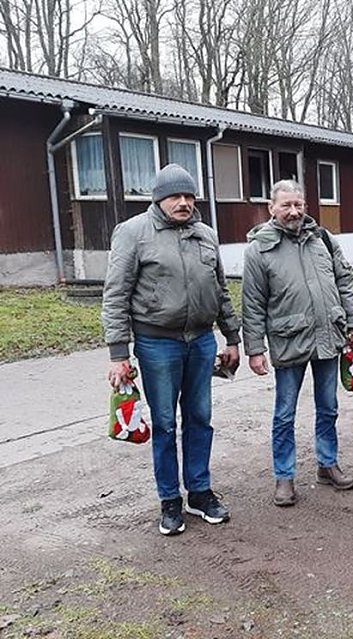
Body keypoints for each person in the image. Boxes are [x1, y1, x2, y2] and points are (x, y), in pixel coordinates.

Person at [102, 163, 240, 536]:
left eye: (188, 196)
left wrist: (232, 337)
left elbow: (220, 289)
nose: (183, 203)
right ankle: (169, 501)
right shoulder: (133, 233)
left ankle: (199, 492)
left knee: (200, 418)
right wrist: (119, 353)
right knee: (164, 423)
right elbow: (115, 294)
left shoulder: (205, 234)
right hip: (155, 343)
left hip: (200, 340)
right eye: (175, 196)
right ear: (159, 199)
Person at [242, 179, 353, 508]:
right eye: (286, 205)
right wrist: (254, 348)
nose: (294, 211)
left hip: (327, 336)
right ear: (272, 208)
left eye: (299, 205)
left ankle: (328, 464)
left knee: (328, 407)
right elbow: (252, 304)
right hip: (288, 340)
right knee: (284, 413)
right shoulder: (259, 249)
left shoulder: (323, 239)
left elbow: (344, 282)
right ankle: (284, 476)